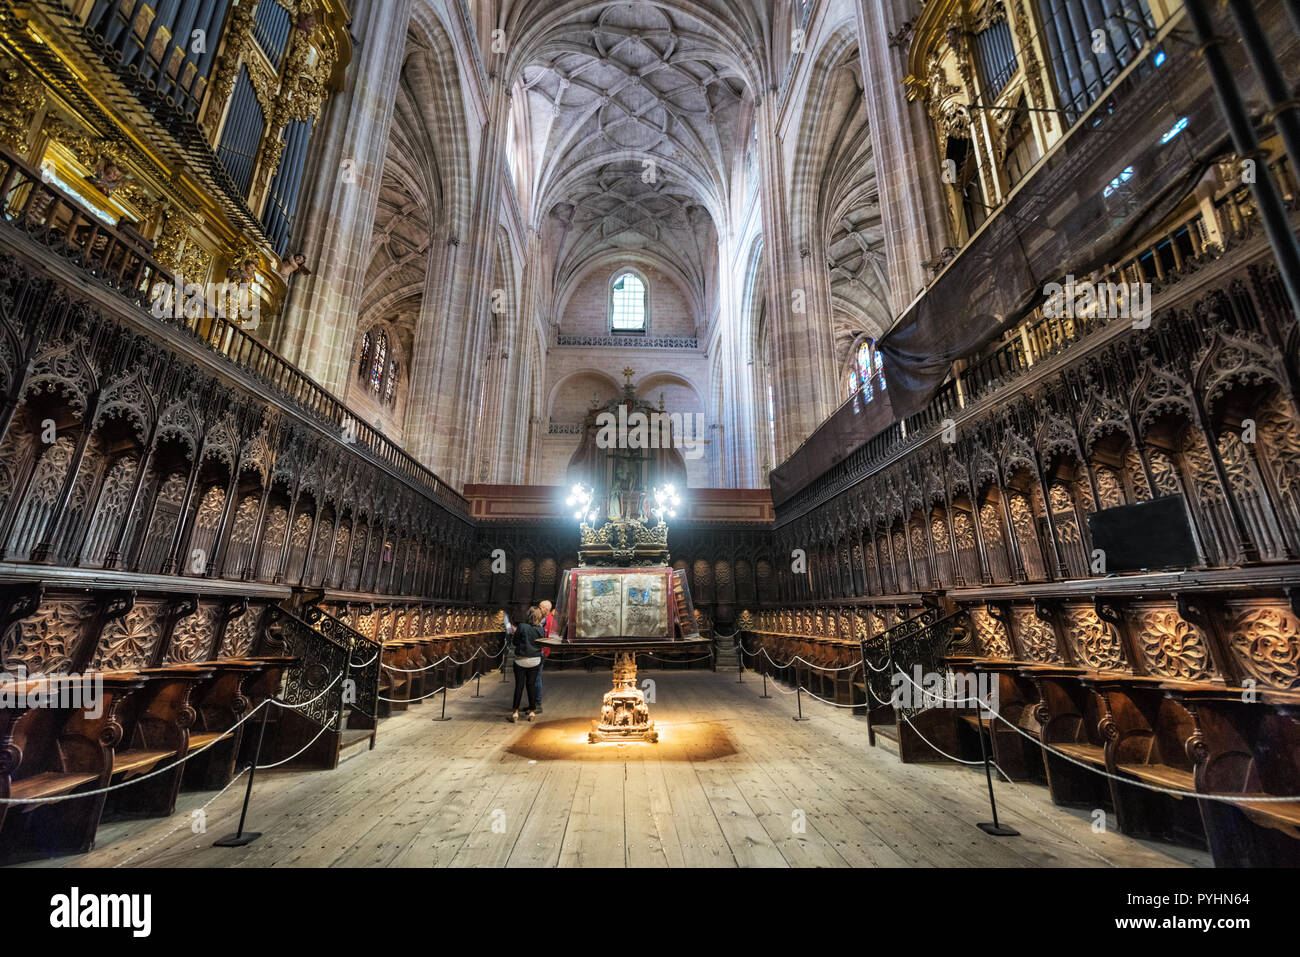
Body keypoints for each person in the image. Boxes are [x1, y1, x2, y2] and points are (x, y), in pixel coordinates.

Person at [507, 606, 546, 723]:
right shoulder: (540, 629)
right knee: (531, 685)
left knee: (519, 686)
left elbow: (515, 642)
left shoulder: (522, 627)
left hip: (521, 660)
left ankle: (515, 713)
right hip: (535, 660)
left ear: (528, 615)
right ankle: (532, 711)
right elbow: (541, 645)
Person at [535, 600, 556, 713]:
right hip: (535, 651)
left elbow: (550, 638)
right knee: (534, 678)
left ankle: (537, 703)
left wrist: (544, 651)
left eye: (541, 607)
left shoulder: (550, 621)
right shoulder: (540, 619)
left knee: (537, 678)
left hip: (541, 652)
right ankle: (533, 702)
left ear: (546, 609)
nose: (539, 608)